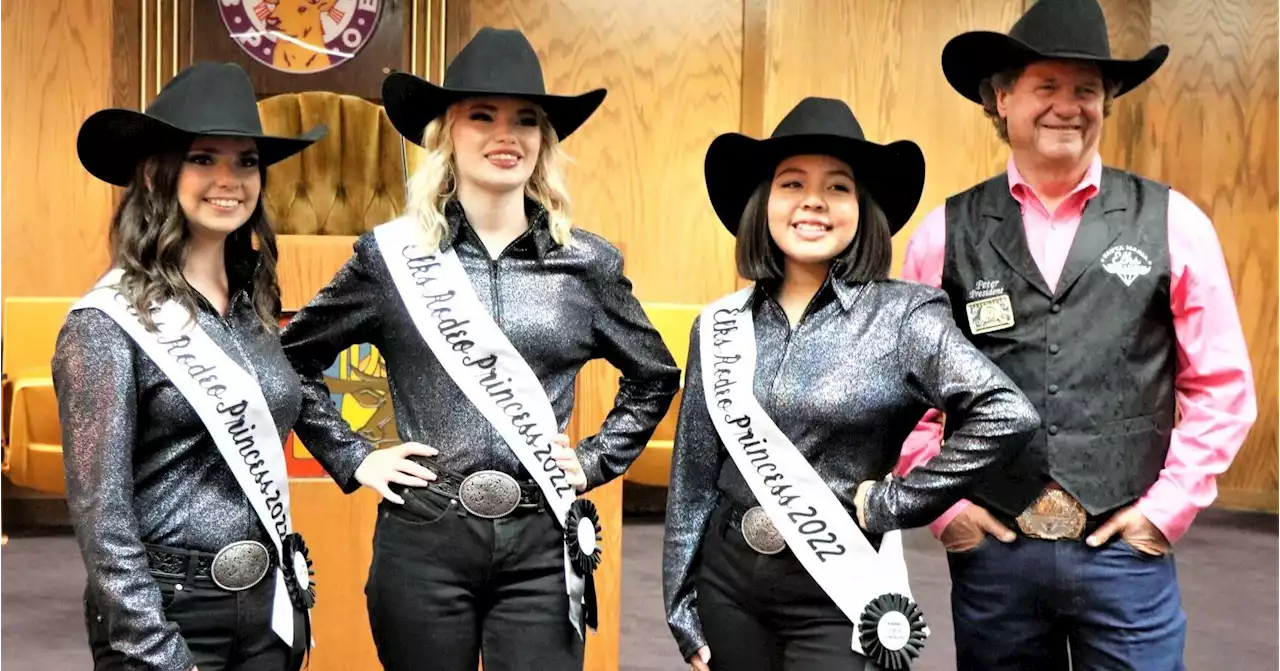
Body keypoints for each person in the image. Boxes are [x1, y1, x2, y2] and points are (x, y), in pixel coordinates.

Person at [278, 28, 681, 671]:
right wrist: (355, 458)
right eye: (482, 117)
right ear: (447, 136)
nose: (507, 134)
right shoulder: (391, 261)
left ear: (543, 143)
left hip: (542, 537)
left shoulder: (588, 265)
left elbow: (654, 375)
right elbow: (289, 359)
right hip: (426, 532)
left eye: (526, 120)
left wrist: (598, 459)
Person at [898, 1, 1259, 668]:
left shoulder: (1175, 223)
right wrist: (946, 510)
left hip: (1125, 552)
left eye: (1086, 89)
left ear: (1107, 101)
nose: (1068, 105)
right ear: (1002, 98)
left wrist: (1166, 510)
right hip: (995, 555)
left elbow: (1222, 387)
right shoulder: (942, 234)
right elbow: (904, 395)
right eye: (1047, 86)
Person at [54, 61, 427, 671]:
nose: (229, 179)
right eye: (204, 158)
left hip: (266, 603)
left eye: (246, 161)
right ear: (158, 172)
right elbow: (103, 517)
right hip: (167, 612)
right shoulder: (104, 324)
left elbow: (288, 391)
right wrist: (153, 646)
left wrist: (356, 455)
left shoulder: (253, 306)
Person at [662, 96, 1041, 671]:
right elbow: (692, 477)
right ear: (764, 203)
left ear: (862, 209)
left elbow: (1006, 413)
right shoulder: (718, 325)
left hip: (836, 589)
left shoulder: (905, 317)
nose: (813, 201)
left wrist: (899, 502)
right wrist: (680, 605)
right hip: (729, 584)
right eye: (792, 184)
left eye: (837, 187)